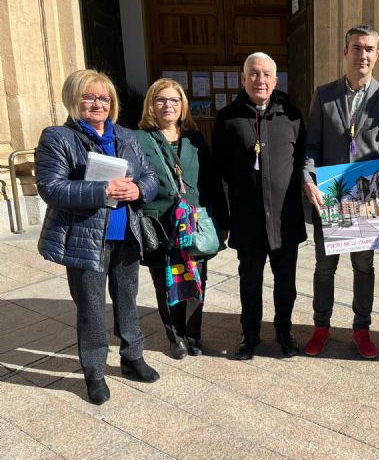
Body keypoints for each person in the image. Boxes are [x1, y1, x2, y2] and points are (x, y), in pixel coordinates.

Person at [35, 69, 160, 405]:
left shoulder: (127, 136)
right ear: (74, 99)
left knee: (127, 299)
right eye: (89, 97)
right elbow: (52, 188)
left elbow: (149, 176)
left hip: (126, 234)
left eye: (103, 97)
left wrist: (137, 189)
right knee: (91, 307)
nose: (97, 103)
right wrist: (102, 188)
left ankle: (133, 357)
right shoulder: (58, 137)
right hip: (85, 237)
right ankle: (94, 372)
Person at [302, 24, 379, 359]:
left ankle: (361, 329)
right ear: (346, 52)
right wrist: (309, 180)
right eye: (356, 48)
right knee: (324, 268)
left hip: (366, 198)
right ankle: (321, 327)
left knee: (364, 267)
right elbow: (312, 145)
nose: (362, 54)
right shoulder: (324, 95)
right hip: (329, 194)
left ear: (377, 55)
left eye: (369, 49)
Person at [212, 52, 307, 360]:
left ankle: (284, 332)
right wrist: (225, 216)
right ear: (243, 79)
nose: (260, 80)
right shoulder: (227, 119)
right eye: (254, 74)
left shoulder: (292, 117)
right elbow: (219, 173)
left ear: (275, 81)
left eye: (266, 74)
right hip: (248, 220)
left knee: (286, 285)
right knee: (249, 283)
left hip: (285, 219)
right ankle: (249, 334)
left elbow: (305, 162)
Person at [136, 78, 229, 360]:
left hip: (194, 220)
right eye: (161, 100)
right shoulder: (139, 138)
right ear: (151, 105)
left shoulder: (195, 138)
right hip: (159, 223)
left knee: (196, 278)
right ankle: (174, 336)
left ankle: (194, 335)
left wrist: (222, 220)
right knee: (166, 282)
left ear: (182, 106)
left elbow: (212, 181)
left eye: (174, 100)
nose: (168, 105)